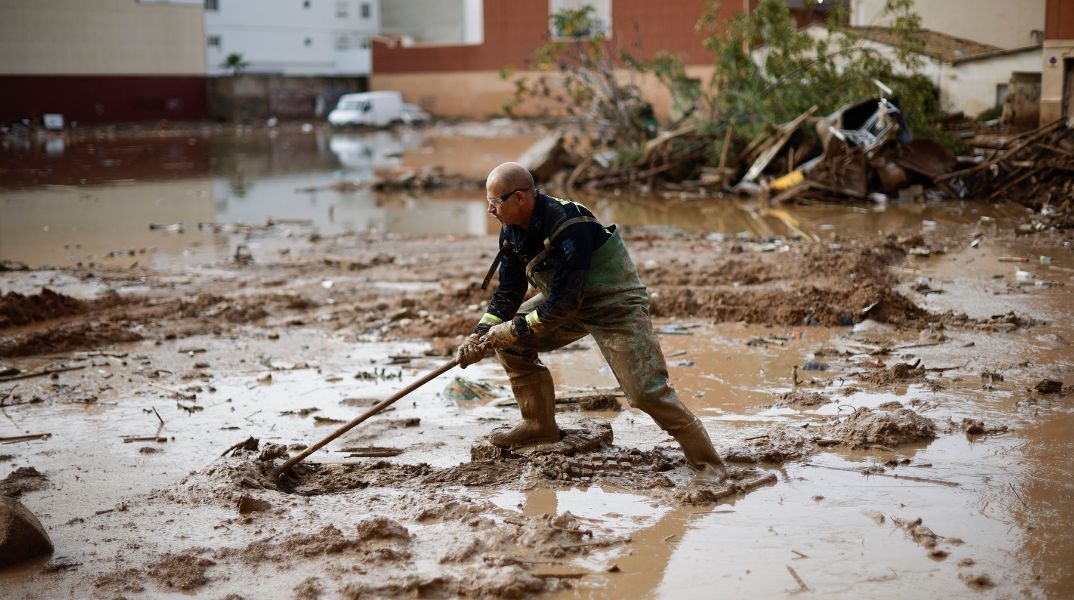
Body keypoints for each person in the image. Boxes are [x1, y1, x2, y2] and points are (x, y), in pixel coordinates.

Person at [455, 162, 728, 485]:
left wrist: (514, 329)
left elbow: (567, 302)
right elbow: (509, 292)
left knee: (646, 392)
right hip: (566, 298)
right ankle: (538, 425)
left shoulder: (570, 223)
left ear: (519, 198)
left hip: (614, 305)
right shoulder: (512, 228)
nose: (489, 209)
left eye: (495, 201)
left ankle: (709, 465)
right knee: (511, 344)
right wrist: (479, 335)